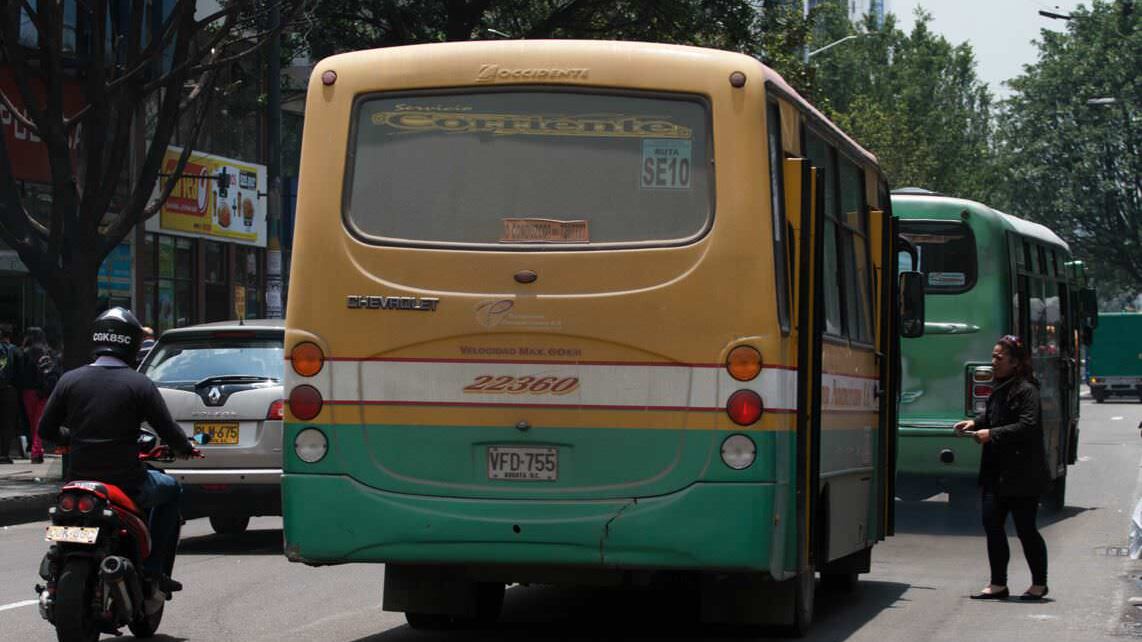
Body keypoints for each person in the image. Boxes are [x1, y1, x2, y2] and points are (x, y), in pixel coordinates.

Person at [38, 308, 195, 594]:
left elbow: (45, 430)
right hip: (128, 483)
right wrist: (185, 448)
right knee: (172, 490)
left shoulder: (69, 380)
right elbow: (169, 430)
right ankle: (155, 570)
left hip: (77, 482)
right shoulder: (140, 384)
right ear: (132, 343)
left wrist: (70, 439)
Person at [954, 334, 1050, 601]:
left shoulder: (1027, 390)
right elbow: (992, 416)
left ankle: (1039, 584)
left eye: (999, 357)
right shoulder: (999, 387)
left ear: (1015, 362)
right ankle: (998, 583)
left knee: (1025, 529)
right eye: (993, 356)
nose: (993, 362)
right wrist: (974, 423)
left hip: (1022, 475)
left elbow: (1027, 426)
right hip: (996, 473)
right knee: (992, 525)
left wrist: (991, 434)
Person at [19, 327, 59, 464]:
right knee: (39, 422)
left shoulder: (24, 353)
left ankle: (36, 449)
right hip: (44, 391)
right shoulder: (49, 352)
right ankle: (37, 451)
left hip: (28, 391)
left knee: (32, 422)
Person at [0, 327, 22, 464]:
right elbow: (20, 372)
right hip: (9, 390)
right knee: (7, 424)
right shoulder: (14, 350)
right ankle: (4, 455)